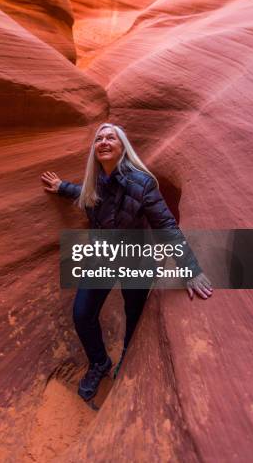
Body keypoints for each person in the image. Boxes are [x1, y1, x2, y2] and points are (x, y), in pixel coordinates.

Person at [41, 123, 213, 401]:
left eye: (111, 137)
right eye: (99, 138)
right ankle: (99, 362)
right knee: (83, 314)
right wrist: (62, 187)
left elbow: (166, 225)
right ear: (95, 149)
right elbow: (85, 194)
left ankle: (127, 359)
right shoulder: (95, 181)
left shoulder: (142, 183)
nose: (104, 141)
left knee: (134, 314)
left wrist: (190, 269)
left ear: (123, 147)